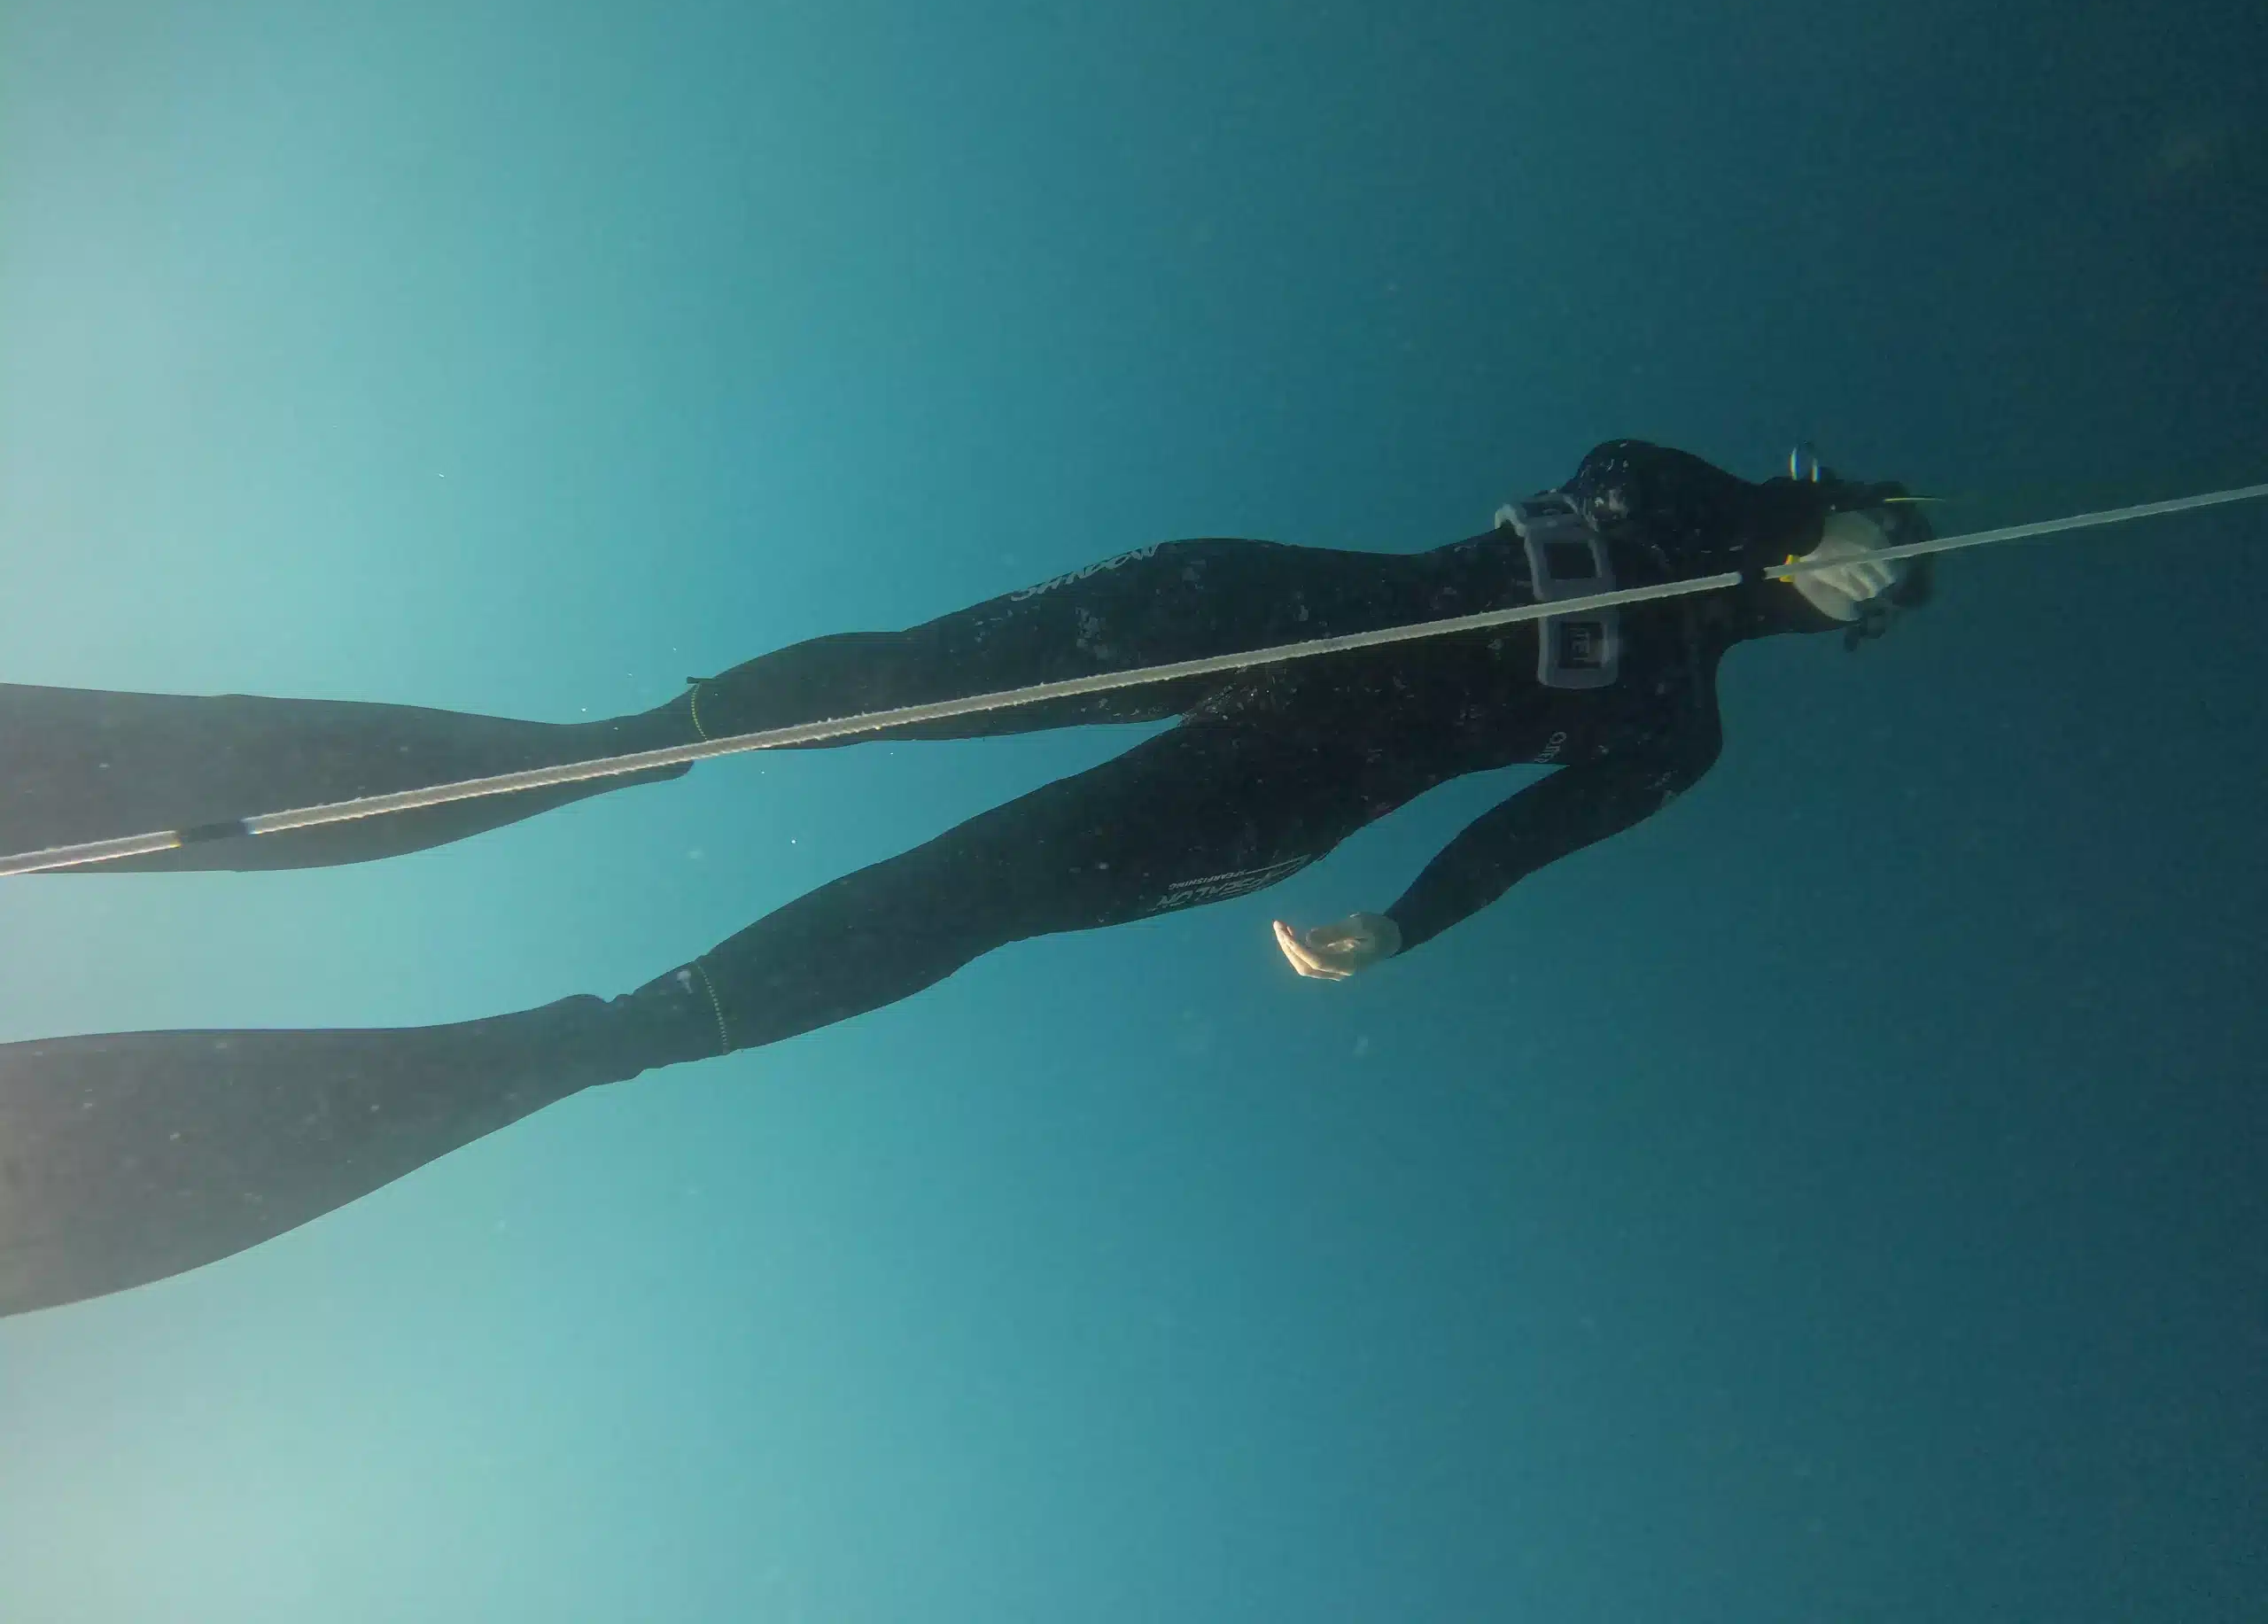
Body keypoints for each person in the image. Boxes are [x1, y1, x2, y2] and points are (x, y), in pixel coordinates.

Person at [0, 440, 1932, 1317]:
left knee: (981, 892)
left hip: (1314, 774)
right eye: (1876, 530)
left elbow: (1526, 833)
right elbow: (1638, 475)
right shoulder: (1675, 496)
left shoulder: (1677, 735)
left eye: (1885, 588)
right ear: (1824, 496)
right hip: (1273, 609)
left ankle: (615, 1037)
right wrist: (1783, 524)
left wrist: (1406, 921)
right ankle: (608, 748)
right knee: (892, 692)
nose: (1867, 567)